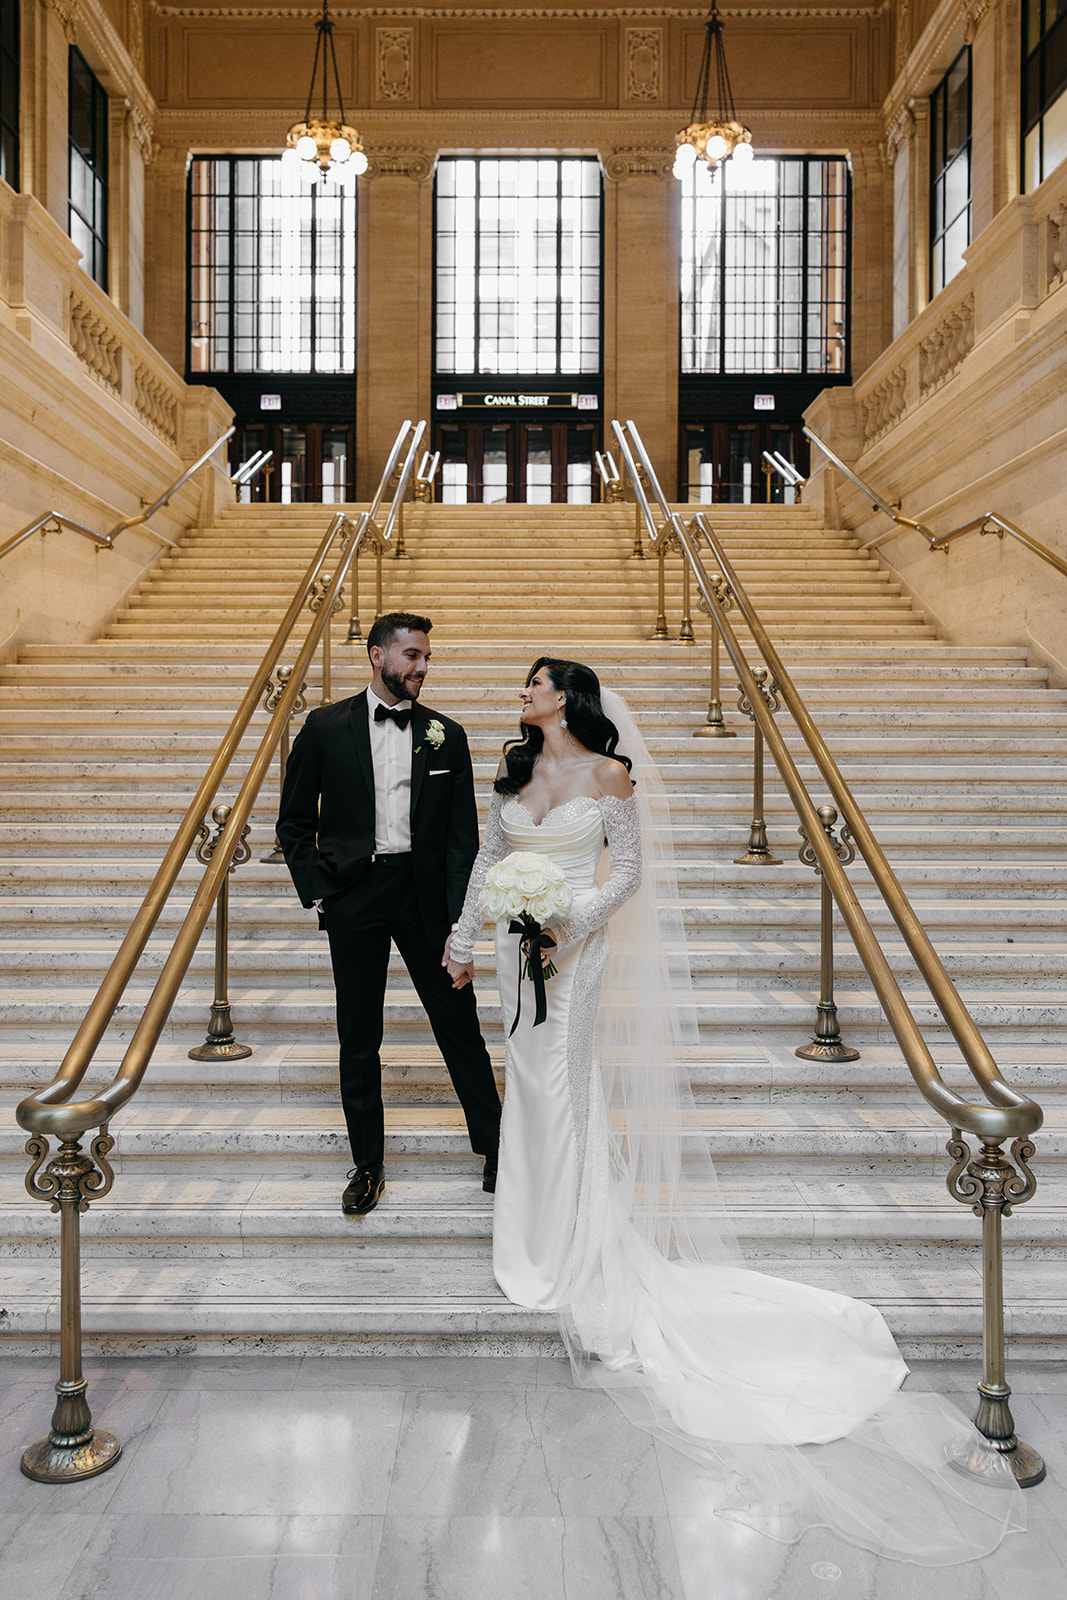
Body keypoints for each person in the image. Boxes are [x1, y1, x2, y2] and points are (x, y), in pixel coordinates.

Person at [447, 656, 1026, 1566]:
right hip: (518, 954)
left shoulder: (610, 773)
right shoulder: (513, 770)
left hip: (573, 947)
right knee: (524, 1084)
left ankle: (572, 1248)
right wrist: (465, 937)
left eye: (533, 684)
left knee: (562, 1081)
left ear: (567, 697)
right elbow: (490, 857)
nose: (520, 694)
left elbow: (628, 872)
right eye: (522, 685)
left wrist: (569, 925)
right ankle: (528, 1241)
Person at [277, 610, 500, 1217]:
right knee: (359, 1036)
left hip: (425, 895)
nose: (422, 668)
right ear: (377, 655)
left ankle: (497, 1148)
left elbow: (462, 841)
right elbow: (293, 823)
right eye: (412, 656)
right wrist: (319, 890)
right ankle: (367, 1164)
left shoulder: (446, 735)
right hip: (355, 894)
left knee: (458, 1023)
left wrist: (463, 924)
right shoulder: (324, 728)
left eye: (427, 657)